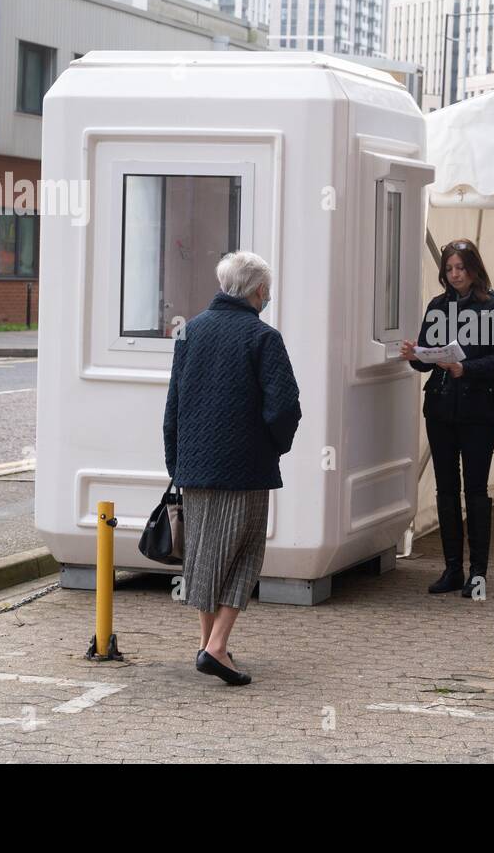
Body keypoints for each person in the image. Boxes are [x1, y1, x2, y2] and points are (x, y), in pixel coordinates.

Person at [163, 251, 301, 686]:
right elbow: (284, 408)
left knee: (204, 555)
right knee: (243, 555)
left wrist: (177, 460)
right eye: (269, 291)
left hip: (196, 465)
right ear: (259, 291)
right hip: (244, 467)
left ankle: (208, 648)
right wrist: (276, 446)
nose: (269, 297)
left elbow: (174, 406)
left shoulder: (191, 332)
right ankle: (218, 646)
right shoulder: (263, 338)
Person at [400, 239, 494, 597]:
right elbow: (425, 359)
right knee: (446, 489)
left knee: (476, 491)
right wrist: (414, 354)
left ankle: (478, 571)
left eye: (460, 268)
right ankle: (452, 568)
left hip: (478, 409)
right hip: (440, 408)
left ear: (473, 269)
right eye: (449, 269)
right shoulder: (437, 306)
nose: (454, 275)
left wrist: (465, 368)